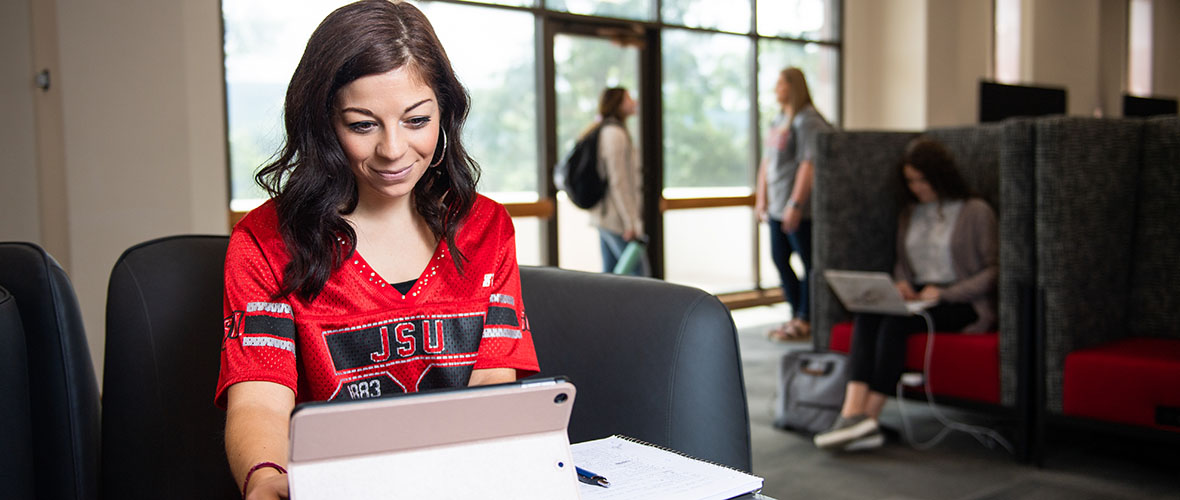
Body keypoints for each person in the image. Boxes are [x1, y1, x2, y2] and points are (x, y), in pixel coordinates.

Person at [214, 2, 539, 498]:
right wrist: (266, 477)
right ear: (323, 124)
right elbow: (259, 401)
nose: (393, 149)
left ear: (445, 114)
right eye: (363, 125)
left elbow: (492, 392)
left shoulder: (484, 228)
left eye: (416, 120)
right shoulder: (265, 243)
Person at [812, 137, 998, 451]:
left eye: (922, 180)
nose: (917, 188)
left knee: (895, 322)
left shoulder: (975, 212)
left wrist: (946, 293)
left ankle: (868, 419)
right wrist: (902, 286)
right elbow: (903, 264)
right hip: (919, 297)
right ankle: (851, 412)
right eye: (910, 181)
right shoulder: (910, 213)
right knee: (869, 311)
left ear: (940, 176)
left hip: (959, 301)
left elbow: (995, 271)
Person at [756, 67, 832, 342]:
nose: (776, 89)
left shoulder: (807, 120)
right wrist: (761, 196)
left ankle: (807, 318)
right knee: (779, 258)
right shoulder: (779, 119)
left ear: (793, 86)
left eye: (780, 84)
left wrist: (795, 204)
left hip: (801, 210)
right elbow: (767, 161)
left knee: (810, 263)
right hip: (777, 205)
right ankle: (796, 312)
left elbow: (808, 164)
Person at [587, 87, 647, 276]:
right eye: (628, 98)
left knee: (611, 277)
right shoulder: (614, 133)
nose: (634, 102)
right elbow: (619, 182)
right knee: (640, 276)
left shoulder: (608, 130)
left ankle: (602, 307)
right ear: (618, 104)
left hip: (607, 217)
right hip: (616, 220)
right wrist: (631, 223)